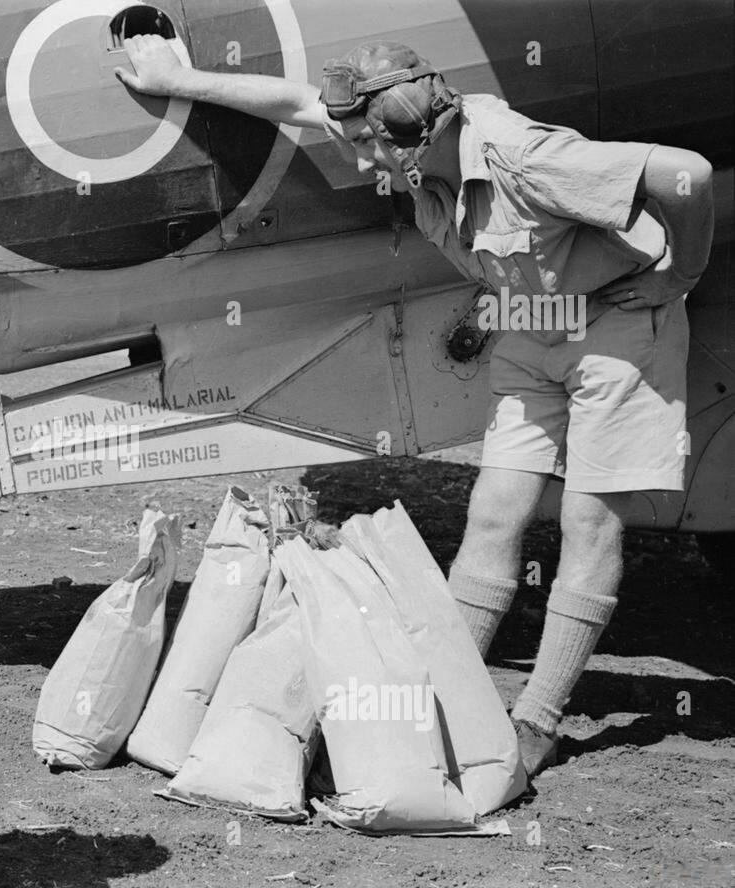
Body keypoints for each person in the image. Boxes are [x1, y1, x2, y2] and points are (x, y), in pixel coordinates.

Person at [117, 36, 714, 778]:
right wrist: (178, 78)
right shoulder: (391, 126)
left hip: (619, 328)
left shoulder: (520, 157)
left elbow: (684, 176)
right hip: (533, 323)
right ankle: (444, 698)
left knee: (588, 523)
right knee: (495, 511)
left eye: (370, 147)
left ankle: (538, 720)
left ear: (421, 136)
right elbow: (300, 104)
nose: (360, 158)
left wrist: (679, 272)